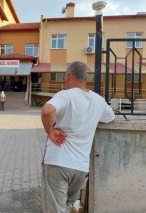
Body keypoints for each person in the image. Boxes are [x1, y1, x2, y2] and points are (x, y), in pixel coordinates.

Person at [40, 61, 115, 213]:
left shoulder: (66, 95)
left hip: (58, 163)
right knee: (67, 206)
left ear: (68, 77)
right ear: (85, 78)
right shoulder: (98, 100)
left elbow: (47, 111)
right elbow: (110, 117)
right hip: (80, 167)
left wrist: (50, 131)